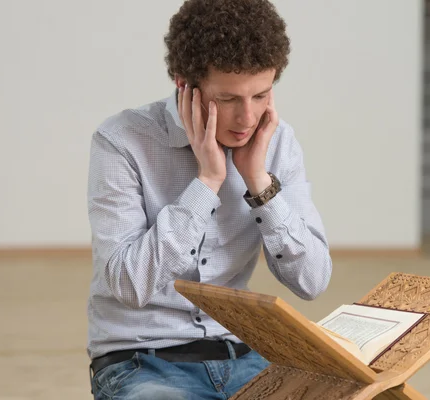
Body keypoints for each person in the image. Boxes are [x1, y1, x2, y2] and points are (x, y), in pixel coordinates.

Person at [86, 0, 333, 398]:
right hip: (142, 361)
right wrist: (208, 181)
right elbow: (129, 286)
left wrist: (258, 181)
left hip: (246, 355)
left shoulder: (277, 142)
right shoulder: (122, 141)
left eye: (261, 96)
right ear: (184, 83)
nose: (248, 118)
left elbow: (313, 281)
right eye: (229, 99)